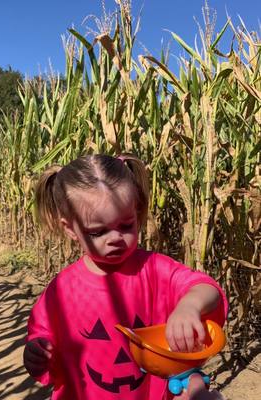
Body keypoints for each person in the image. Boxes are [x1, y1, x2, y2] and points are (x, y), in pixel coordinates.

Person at [24, 154, 228, 400]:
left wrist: (189, 306)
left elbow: (207, 289)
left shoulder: (155, 269)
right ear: (70, 229)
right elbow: (42, 335)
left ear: (137, 212)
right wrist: (36, 355)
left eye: (126, 225)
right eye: (98, 232)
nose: (115, 239)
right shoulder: (63, 291)